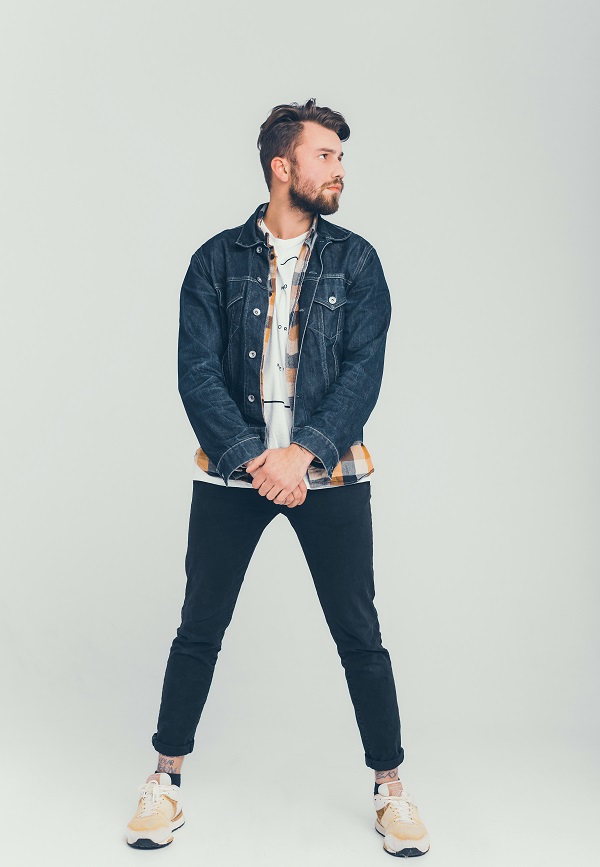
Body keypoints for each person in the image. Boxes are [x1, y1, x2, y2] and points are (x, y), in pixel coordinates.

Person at [126, 98, 429, 857]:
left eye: (340, 159)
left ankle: (392, 789)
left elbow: (364, 370)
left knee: (360, 633)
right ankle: (164, 781)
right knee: (199, 626)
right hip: (235, 475)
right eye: (327, 156)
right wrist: (252, 456)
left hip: (330, 474)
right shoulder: (214, 260)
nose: (340, 172)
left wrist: (306, 452)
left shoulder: (357, 261)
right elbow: (195, 373)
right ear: (282, 165)